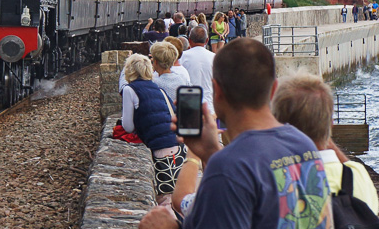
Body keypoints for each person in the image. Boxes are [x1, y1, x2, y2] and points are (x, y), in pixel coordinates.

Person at [137, 39, 332, 229]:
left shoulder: (227, 167)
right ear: (273, 89)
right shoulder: (304, 145)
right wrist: (211, 153)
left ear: (217, 91)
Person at [272, 74, 379, 216]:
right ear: (331, 124)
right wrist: (323, 131)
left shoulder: (275, 183)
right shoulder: (357, 176)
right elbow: (348, 167)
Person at [121, 53, 186, 204]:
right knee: (177, 195)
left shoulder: (129, 90)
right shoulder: (158, 89)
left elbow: (128, 126)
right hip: (177, 147)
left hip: (160, 148)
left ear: (129, 70)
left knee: (165, 199)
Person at [181, 26, 215, 116]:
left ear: (189, 40)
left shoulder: (182, 57)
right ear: (207, 40)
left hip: (189, 105)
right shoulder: (215, 58)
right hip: (210, 107)